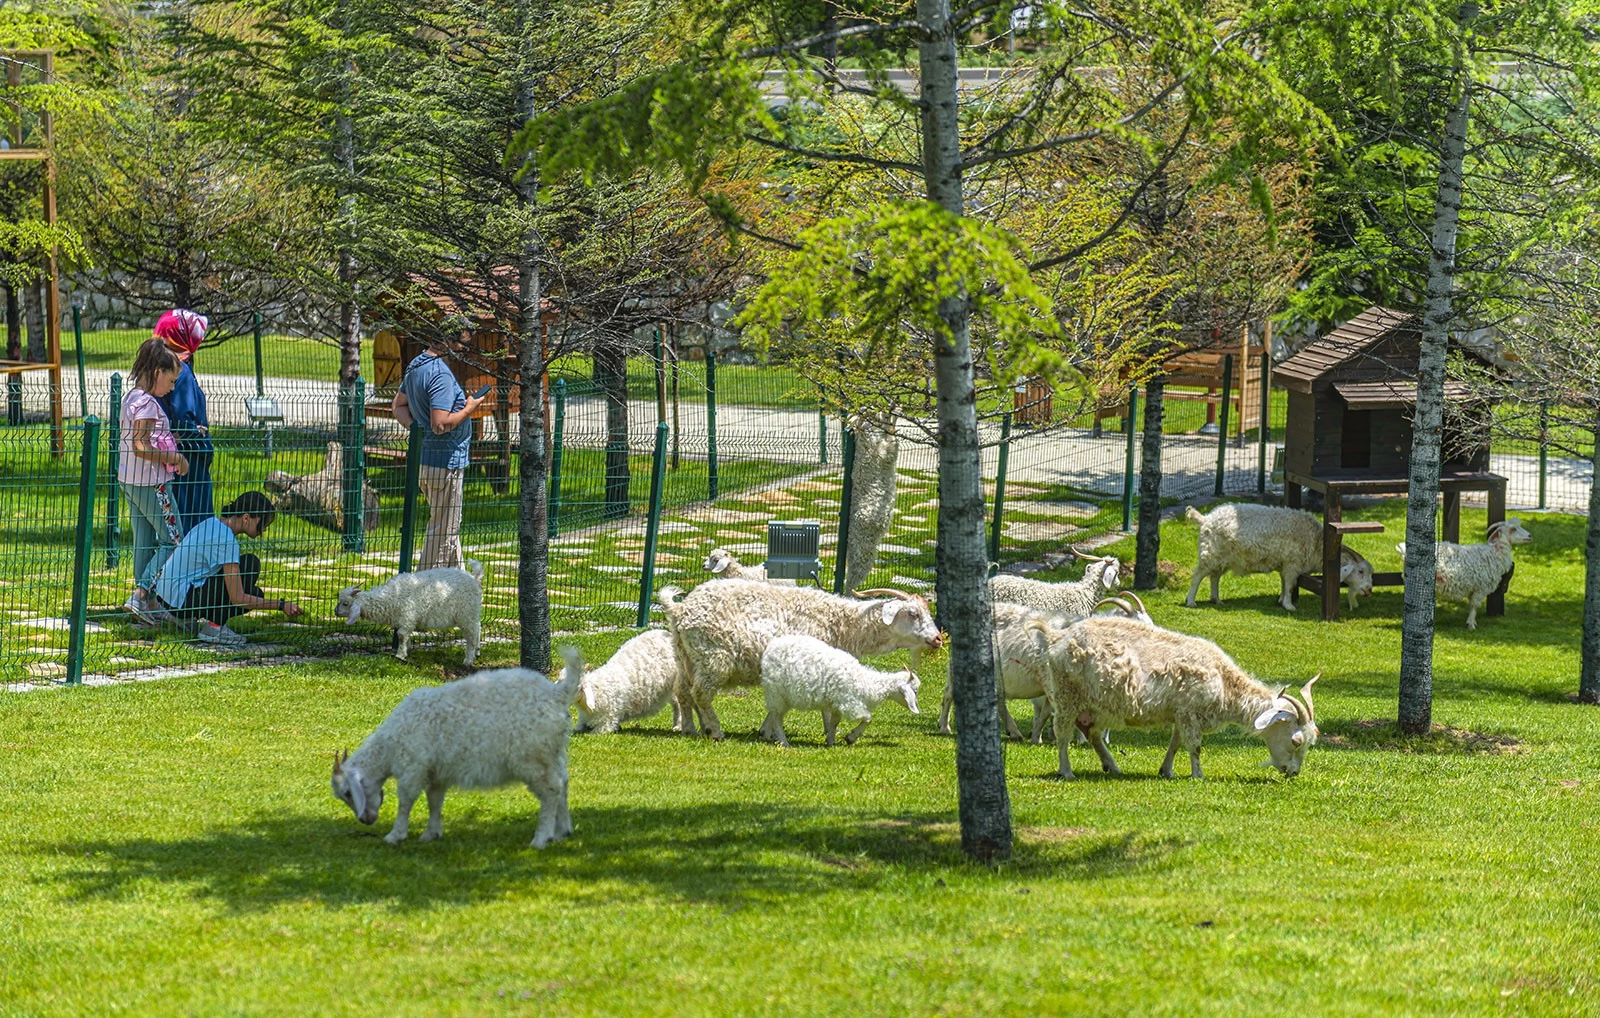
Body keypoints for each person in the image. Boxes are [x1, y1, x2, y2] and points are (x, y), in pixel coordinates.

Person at [150, 491, 305, 648]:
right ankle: (213, 628)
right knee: (250, 567)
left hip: (166, 597)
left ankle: (186, 619)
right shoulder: (227, 541)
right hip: (180, 603)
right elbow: (237, 598)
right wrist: (280, 605)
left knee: (252, 584)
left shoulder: (212, 523)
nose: (264, 530)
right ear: (246, 518)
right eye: (263, 523)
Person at [391, 332, 484, 571]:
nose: (465, 349)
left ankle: (463, 585)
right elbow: (440, 424)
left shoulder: (417, 364)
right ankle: (425, 587)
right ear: (448, 341)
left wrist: (419, 431)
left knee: (447, 527)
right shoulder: (440, 374)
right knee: (443, 532)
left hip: (426, 460)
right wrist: (470, 408)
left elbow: (398, 406)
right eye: (462, 343)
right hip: (446, 463)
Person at [119, 338, 189, 622]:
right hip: (152, 483)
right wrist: (175, 459)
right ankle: (141, 593)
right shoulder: (147, 404)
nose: (171, 388)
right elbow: (141, 445)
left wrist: (171, 440)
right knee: (173, 540)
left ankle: (144, 604)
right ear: (158, 372)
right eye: (171, 381)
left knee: (145, 542)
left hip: (130, 480)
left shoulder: (131, 398)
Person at [153, 309, 215, 535]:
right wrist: (197, 434)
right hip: (189, 462)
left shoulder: (162, 369)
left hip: (175, 458)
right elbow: (182, 417)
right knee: (195, 527)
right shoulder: (182, 373)